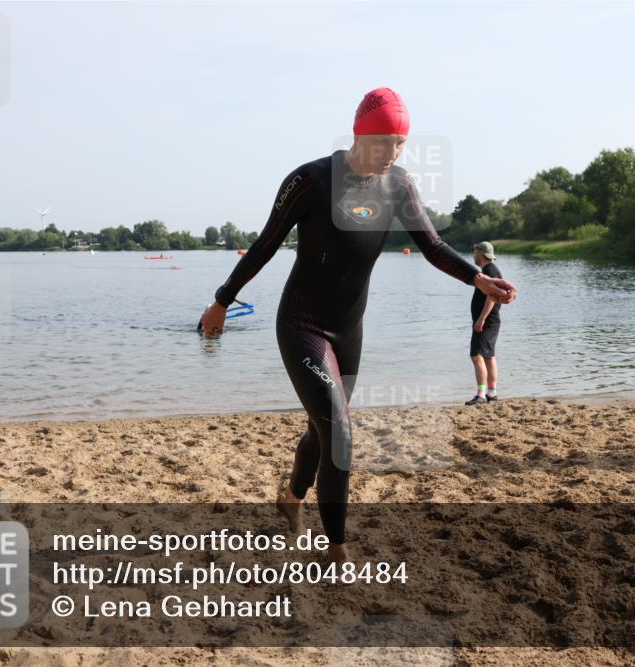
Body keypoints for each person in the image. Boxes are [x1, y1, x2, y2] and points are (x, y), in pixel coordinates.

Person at [198, 88, 518, 560]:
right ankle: (337, 551)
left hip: (349, 330)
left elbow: (431, 246)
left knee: (323, 428)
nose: (394, 152)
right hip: (302, 324)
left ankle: (292, 497)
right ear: (360, 135)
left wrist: (479, 279)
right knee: (341, 433)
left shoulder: (399, 185)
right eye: (385, 141)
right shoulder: (310, 180)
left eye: (401, 143)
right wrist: (222, 301)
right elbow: (265, 245)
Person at [465, 241, 502, 405]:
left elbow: (492, 297)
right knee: (488, 355)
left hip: (487, 321)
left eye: (474, 252)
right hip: (489, 321)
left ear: (481, 253)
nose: (473, 255)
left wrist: (481, 319)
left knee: (476, 355)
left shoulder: (490, 271)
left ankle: (481, 394)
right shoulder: (489, 270)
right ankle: (492, 392)